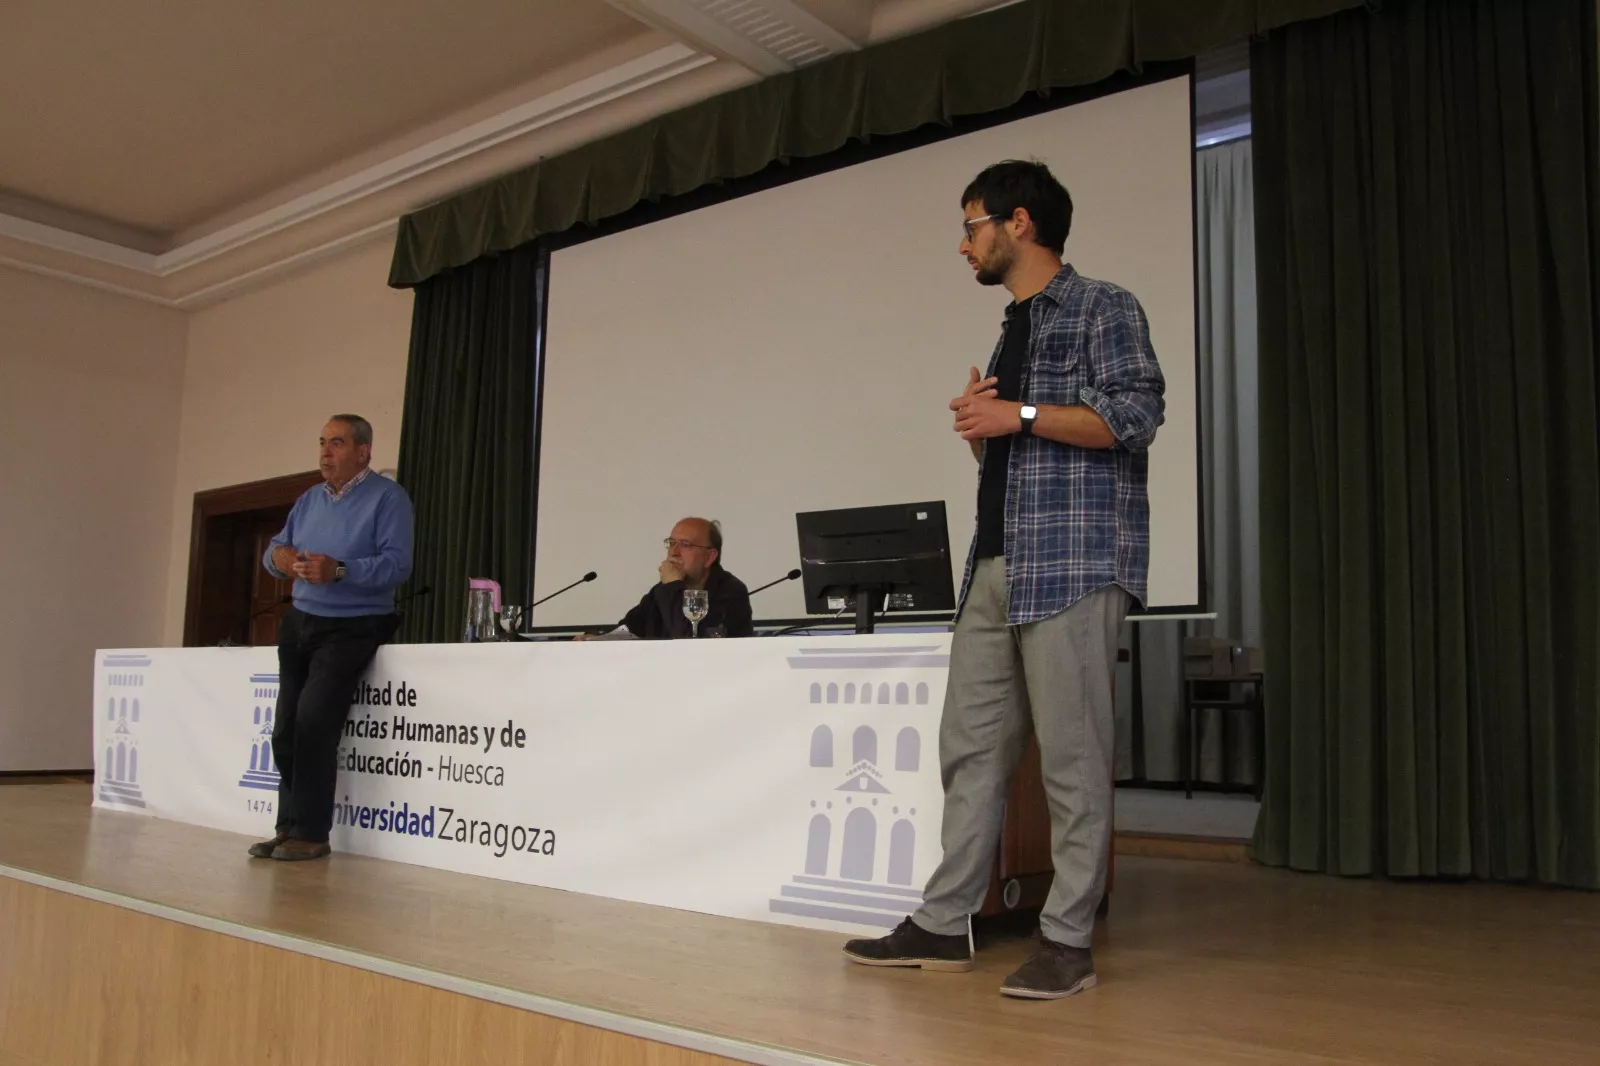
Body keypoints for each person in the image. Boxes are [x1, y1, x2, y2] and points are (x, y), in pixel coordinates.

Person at [843, 160, 1165, 998]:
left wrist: (1015, 414)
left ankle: (1066, 939)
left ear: (1018, 223)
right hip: (995, 564)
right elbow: (1029, 445)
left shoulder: (1104, 306)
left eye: (971, 224)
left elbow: (1133, 418)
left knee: (1072, 757)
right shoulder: (1010, 325)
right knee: (971, 752)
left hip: (1072, 563)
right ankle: (946, 924)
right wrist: (984, 436)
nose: (963, 244)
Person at [249, 414, 414, 861]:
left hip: (354, 624)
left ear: (363, 451)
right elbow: (274, 550)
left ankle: (312, 834)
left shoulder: (388, 498)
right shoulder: (307, 499)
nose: (325, 452)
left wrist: (340, 570)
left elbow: (398, 565)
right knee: (284, 730)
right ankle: (287, 827)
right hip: (300, 620)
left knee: (314, 723)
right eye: (322, 442)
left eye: (337, 443)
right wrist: (281, 559)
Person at [578, 518, 753, 640]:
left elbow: (690, 641)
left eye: (685, 545)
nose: (674, 552)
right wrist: (597, 638)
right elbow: (630, 630)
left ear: (709, 556)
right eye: (671, 543)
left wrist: (672, 586)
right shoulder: (661, 591)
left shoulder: (731, 592)